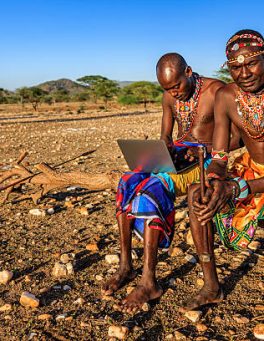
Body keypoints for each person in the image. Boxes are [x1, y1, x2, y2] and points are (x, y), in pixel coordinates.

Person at [102, 53, 242, 313]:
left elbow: (237, 139)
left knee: (150, 191)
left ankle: (149, 281)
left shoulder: (216, 92)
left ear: (188, 71)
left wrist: (205, 148)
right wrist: (161, 151)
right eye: (166, 88)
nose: (173, 93)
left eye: (176, 85)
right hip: (177, 157)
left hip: (204, 160)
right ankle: (125, 266)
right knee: (126, 182)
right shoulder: (169, 96)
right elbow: (165, 136)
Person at [185, 29, 264, 311]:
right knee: (198, 193)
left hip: (255, 182)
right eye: (235, 67)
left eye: (251, 63)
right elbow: (219, 155)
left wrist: (240, 188)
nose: (243, 73)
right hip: (252, 171)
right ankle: (211, 286)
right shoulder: (227, 97)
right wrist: (216, 178)